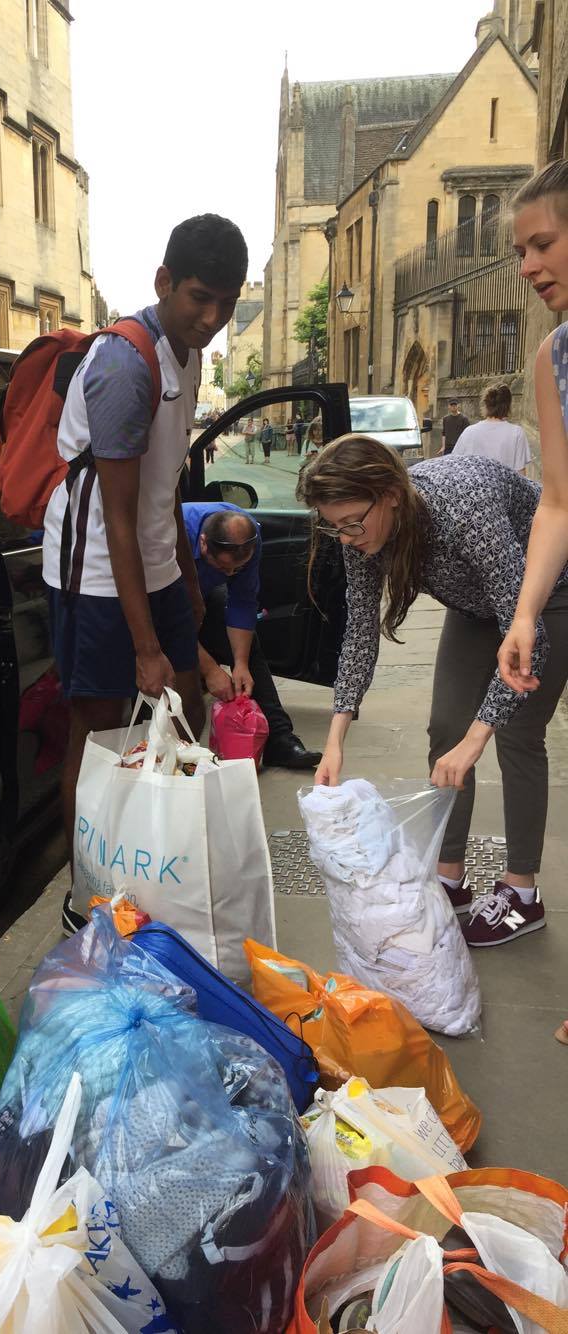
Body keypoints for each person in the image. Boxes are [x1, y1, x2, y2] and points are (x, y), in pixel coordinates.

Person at [299, 435, 568, 963]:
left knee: (515, 733)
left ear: (390, 493)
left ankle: (522, 892)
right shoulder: (360, 535)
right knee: (445, 726)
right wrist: (334, 740)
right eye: (336, 526)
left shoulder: (461, 502)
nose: (347, 537)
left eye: (354, 521)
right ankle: (449, 875)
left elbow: (527, 641)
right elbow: (360, 633)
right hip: (474, 609)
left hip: (549, 596)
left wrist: (478, 738)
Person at [42, 214, 247, 903]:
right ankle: (87, 893)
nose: (212, 317)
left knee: (186, 708)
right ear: (164, 282)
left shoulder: (187, 356)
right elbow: (117, 519)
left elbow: (166, 488)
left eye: (227, 302)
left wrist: (186, 582)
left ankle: (167, 874)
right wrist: (144, 643)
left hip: (153, 563)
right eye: (199, 298)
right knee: (99, 739)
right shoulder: (128, 365)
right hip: (97, 578)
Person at [497, 157, 568, 1045]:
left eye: (543, 242)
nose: (528, 267)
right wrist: (524, 612)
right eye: (520, 251)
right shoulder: (555, 354)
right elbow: (558, 499)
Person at [182, 501, 322, 768]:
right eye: (223, 568)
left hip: (202, 594)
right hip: (154, 600)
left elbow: (242, 602)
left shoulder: (249, 537)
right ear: (202, 543)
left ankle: (280, 739)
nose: (231, 574)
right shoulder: (177, 533)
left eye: (238, 568)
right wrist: (211, 670)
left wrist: (241, 664)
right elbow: (166, 622)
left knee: (248, 646)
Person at [451, 383, 530, 474]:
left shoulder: (469, 432)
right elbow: (520, 473)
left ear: (486, 404)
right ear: (508, 405)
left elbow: (456, 466)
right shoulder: (516, 433)